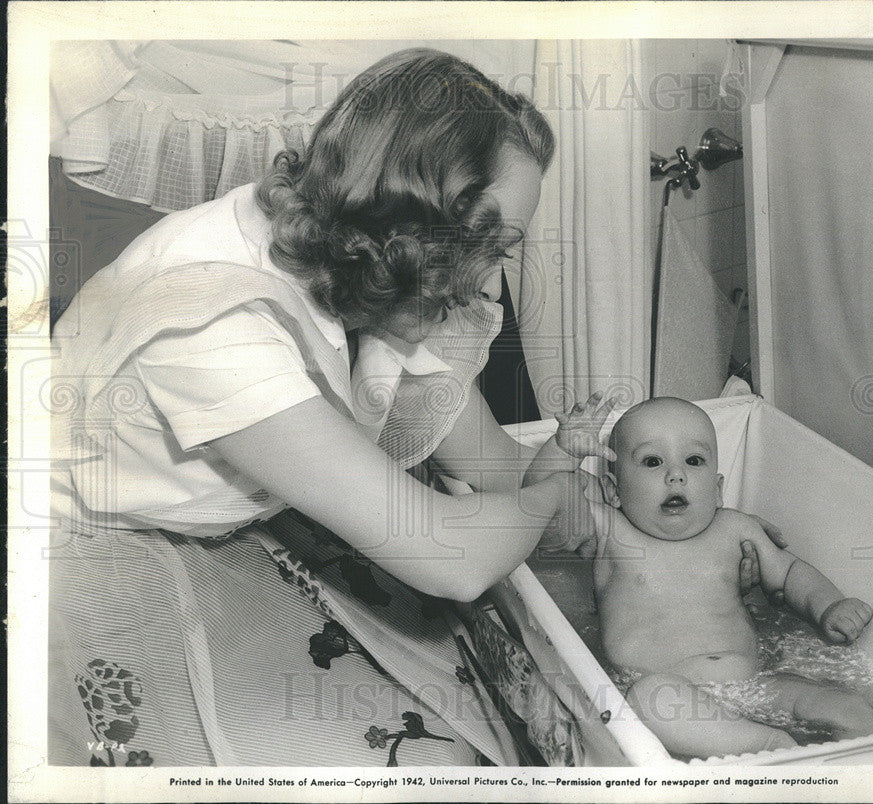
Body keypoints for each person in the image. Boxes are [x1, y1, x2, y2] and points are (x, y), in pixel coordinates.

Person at [48, 48, 598, 768]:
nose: (492, 273)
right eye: (488, 242)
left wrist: (575, 474)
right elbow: (448, 557)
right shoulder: (208, 321)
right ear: (420, 219)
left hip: (248, 511)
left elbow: (492, 464)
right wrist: (557, 496)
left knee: (462, 722)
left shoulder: (362, 254)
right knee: (397, 760)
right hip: (108, 549)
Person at [526, 395, 873, 760]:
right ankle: (769, 747)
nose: (675, 474)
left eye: (693, 460)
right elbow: (543, 506)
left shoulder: (735, 529)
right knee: (652, 700)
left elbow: (790, 574)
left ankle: (864, 775)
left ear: (716, 489)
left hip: (754, 684)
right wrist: (563, 451)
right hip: (666, 691)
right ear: (615, 490)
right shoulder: (611, 532)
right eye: (653, 462)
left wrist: (829, 606)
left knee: (853, 710)